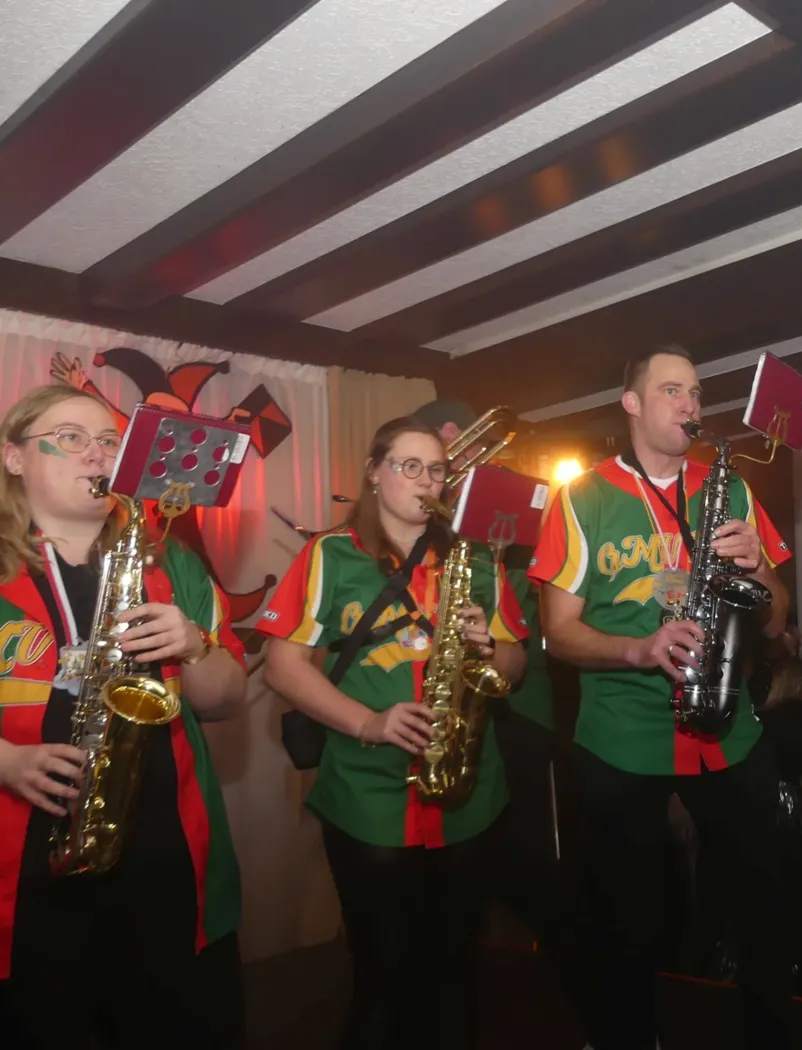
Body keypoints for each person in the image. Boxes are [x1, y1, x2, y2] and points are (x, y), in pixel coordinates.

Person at [528, 344, 795, 1049]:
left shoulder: (729, 489)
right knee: (628, 923)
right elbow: (558, 633)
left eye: (696, 392)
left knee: (765, 907)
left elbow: (777, 618)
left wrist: (757, 569)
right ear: (632, 403)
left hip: (728, 727)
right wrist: (638, 649)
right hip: (623, 736)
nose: (690, 404)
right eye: (672, 390)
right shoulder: (581, 498)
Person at [260, 416, 527, 1050]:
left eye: (437, 470)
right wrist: (371, 723)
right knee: (382, 977)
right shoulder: (330, 554)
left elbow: (515, 662)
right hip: (367, 795)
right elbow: (281, 667)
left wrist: (489, 649)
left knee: (458, 970)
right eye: (409, 466)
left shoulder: (475, 557)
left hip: (469, 793)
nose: (426, 481)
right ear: (374, 474)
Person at [0, 384, 249, 1049]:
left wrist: (193, 645)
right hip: (21, 875)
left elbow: (227, 699)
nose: (97, 455)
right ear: (14, 457)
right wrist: (6, 760)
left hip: (166, 860)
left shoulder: (173, 562)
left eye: (110, 441)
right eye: (71, 438)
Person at [411, 397, 596, 1042]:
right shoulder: (414, 524)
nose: (451, 462)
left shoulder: (510, 514)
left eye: (459, 448)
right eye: (439, 452)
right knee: (450, 891)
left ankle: (598, 1017)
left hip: (518, 713)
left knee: (539, 877)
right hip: (445, 717)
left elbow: (546, 606)